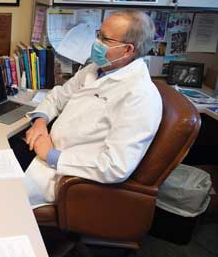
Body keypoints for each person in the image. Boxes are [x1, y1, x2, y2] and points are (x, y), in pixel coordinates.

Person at [9, 11, 163, 206]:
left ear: (127, 50)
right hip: (43, 146)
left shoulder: (140, 96)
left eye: (104, 39)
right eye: (99, 34)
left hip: (64, 173)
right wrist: (40, 122)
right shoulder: (96, 69)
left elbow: (115, 166)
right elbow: (58, 96)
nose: (96, 42)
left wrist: (51, 155)